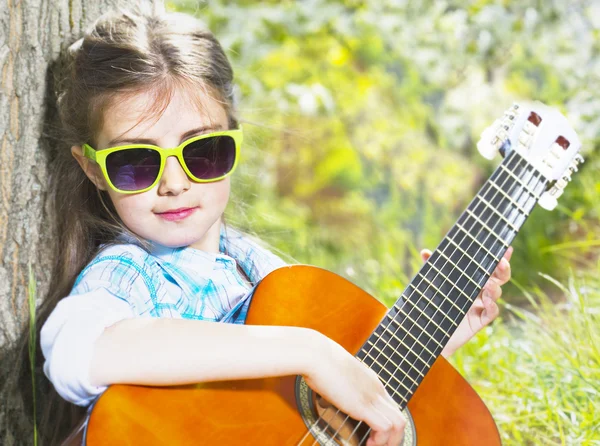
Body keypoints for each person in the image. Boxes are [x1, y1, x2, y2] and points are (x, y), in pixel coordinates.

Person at [36, 2, 513, 445]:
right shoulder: (130, 272)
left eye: (201, 151)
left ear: (232, 143)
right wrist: (307, 349)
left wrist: (435, 335)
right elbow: (78, 351)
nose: (174, 183)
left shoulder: (263, 272)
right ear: (93, 168)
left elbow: (310, 412)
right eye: (136, 162)